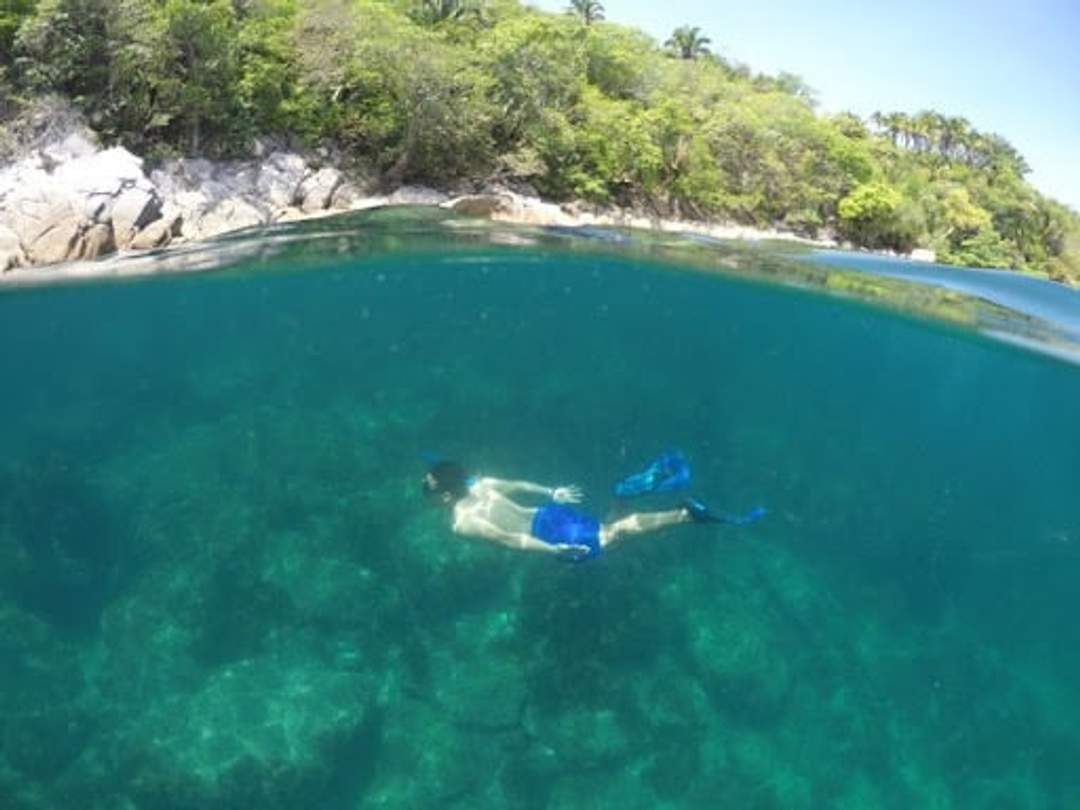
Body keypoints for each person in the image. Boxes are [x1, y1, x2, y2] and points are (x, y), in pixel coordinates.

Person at [422, 460, 744, 562]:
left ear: (448, 495)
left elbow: (510, 540)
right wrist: (552, 492)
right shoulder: (481, 484)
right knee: (607, 530)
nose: (430, 498)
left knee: (612, 535)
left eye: (432, 493)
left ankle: (684, 515)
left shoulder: (462, 523)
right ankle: (627, 493)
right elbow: (517, 484)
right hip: (547, 514)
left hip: (546, 534)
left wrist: (552, 550)